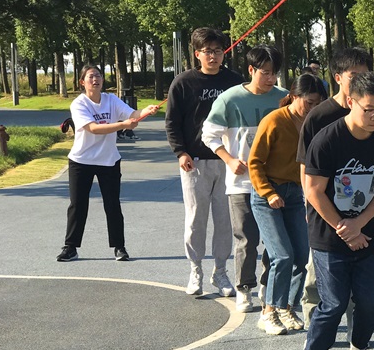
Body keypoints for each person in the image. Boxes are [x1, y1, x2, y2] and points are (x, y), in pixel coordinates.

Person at [298, 72, 374, 350]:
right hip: (329, 235)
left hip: (366, 233)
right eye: (368, 109)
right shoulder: (327, 140)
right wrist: (344, 227)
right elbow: (313, 190)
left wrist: (359, 224)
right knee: (334, 303)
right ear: (349, 102)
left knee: (368, 303)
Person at [202, 45, 289, 312]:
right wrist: (229, 159)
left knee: (275, 241)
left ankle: (268, 285)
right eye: (265, 73)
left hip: (276, 182)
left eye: (274, 73)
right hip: (241, 183)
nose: (271, 79)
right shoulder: (229, 99)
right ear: (251, 70)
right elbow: (209, 135)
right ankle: (244, 288)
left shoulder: (285, 98)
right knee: (246, 239)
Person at [297, 46, 373, 329]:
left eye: (365, 75)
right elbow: (304, 165)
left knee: (361, 271)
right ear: (338, 77)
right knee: (317, 270)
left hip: (360, 208)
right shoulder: (319, 116)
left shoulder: (372, 113)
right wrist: (309, 203)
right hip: (324, 206)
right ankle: (314, 328)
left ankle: (357, 332)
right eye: (354, 75)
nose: (360, 81)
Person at [165, 27, 244, 297]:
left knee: (225, 221)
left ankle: (220, 271)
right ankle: (195, 269)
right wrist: (181, 152)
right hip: (195, 162)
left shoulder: (235, 82)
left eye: (218, 50)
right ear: (197, 54)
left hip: (229, 161)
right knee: (196, 220)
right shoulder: (183, 82)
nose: (213, 56)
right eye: (207, 51)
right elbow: (172, 122)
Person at [248, 73, 326, 336]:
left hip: (295, 195)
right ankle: (268, 312)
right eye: (309, 102)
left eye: (318, 103)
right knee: (282, 255)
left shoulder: (313, 124)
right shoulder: (274, 120)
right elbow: (254, 162)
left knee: (301, 256)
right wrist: (268, 192)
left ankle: (287, 307)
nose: (313, 108)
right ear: (294, 96)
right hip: (267, 196)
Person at [56, 65, 158, 262]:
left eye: (99, 76)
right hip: (81, 160)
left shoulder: (111, 100)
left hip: (109, 160)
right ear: (82, 82)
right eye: (91, 76)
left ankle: (119, 247)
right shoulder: (79, 104)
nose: (96, 79)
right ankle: (70, 247)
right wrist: (123, 125)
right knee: (78, 205)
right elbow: (94, 128)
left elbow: (132, 115)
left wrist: (146, 111)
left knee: (113, 204)